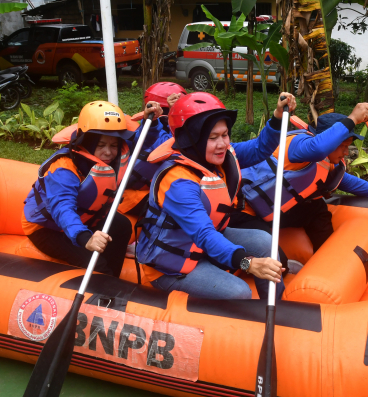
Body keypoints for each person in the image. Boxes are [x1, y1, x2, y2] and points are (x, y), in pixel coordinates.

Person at [136, 92, 296, 300]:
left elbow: (259, 149)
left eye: (224, 134)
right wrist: (249, 263)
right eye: (212, 137)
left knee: (264, 241)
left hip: (205, 244)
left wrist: (277, 117)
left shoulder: (219, 155)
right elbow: (204, 235)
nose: (222, 144)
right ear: (193, 139)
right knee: (239, 292)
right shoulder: (178, 182)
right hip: (171, 265)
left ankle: (277, 309)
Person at [232, 103, 368, 252]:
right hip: (246, 212)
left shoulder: (328, 163)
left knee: (317, 207)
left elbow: (347, 182)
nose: (347, 152)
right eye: (343, 146)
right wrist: (353, 118)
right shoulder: (300, 146)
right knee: (277, 261)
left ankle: (326, 257)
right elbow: (318, 148)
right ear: (329, 140)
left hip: (272, 210)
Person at [22, 100, 162, 275]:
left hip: (86, 220)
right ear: (87, 142)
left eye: (113, 145)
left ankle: (112, 280)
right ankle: (102, 281)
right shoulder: (64, 168)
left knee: (121, 225)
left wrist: (152, 122)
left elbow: (142, 139)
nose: (108, 152)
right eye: (101, 145)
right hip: (48, 229)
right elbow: (62, 208)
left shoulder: (115, 153)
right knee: (97, 264)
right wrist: (85, 238)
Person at [117, 81, 185, 219]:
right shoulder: (149, 129)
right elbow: (163, 144)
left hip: (155, 187)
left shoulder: (169, 125)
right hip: (132, 192)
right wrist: (170, 117)